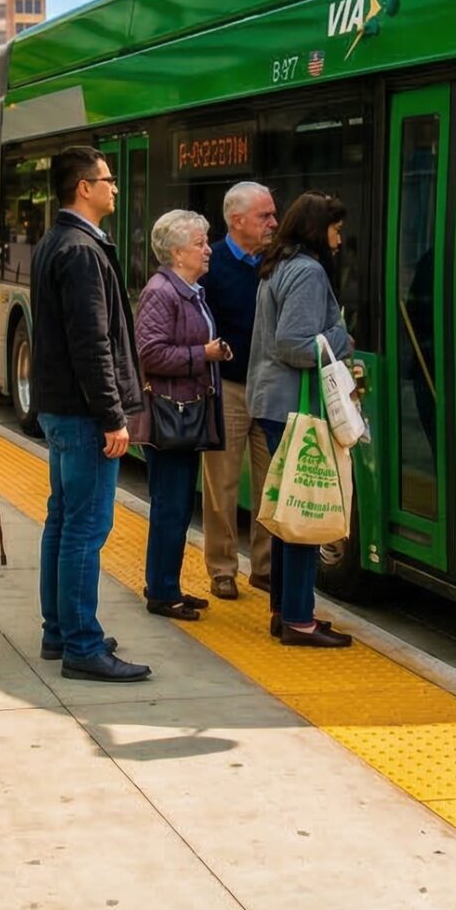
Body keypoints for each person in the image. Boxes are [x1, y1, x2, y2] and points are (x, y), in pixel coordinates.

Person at [29, 144, 150, 681]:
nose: (115, 187)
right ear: (84, 187)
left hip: (60, 407)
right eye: (108, 180)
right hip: (83, 413)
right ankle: (82, 644)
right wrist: (112, 415)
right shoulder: (81, 250)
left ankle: (60, 631)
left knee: (62, 519)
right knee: (86, 527)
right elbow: (92, 343)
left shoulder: (56, 241)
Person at [246, 191, 358, 649]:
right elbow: (292, 343)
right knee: (306, 508)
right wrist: (341, 337)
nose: (339, 240)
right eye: (335, 230)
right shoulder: (308, 272)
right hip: (295, 405)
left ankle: (285, 610)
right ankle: (298, 619)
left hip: (272, 402)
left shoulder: (277, 266)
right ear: (317, 229)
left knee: (288, 509)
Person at [133, 209, 227, 622]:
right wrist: (202, 354)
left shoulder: (188, 290)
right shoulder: (162, 292)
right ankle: (161, 592)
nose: (209, 250)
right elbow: (150, 353)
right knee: (170, 505)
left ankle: (166, 585)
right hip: (171, 416)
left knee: (177, 504)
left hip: (186, 413)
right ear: (176, 253)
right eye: (200, 244)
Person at [200, 181, 277, 599]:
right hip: (227, 387)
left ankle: (265, 567)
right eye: (265, 215)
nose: (273, 223)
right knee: (222, 484)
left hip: (269, 388)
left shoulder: (276, 261)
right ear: (237, 220)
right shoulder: (210, 263)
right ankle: (222, 569)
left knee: (272, 483)